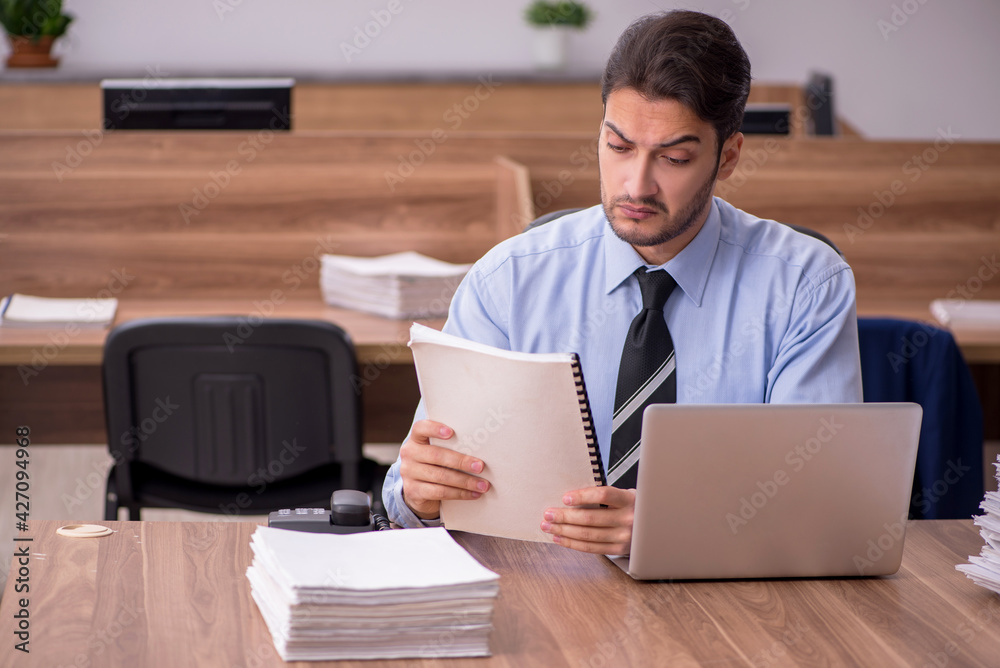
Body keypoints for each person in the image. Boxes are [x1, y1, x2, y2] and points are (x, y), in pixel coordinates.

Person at [382, 10, 862, 555]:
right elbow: (410, 496)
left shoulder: (806, 286)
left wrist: (675, 528)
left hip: (730, 604)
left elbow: (824, 507)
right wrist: (421, 495)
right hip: (547, 594)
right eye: (618, 146)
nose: (636, 184)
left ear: (727, 158)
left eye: (674, 157)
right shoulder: (508, 281)